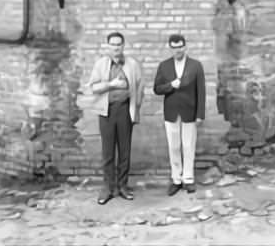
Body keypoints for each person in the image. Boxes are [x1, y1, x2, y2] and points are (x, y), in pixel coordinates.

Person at [88, 31, 144, 204]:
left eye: (119, 44)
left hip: (125, 110)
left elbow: (140, 86)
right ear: (108, 46)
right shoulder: (101, 64)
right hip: (107, 111)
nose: (116, 47)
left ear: (123, 46)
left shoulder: (132, 64)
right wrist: (111, 85)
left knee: (125, 151)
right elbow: (93, 87)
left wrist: (135, 106)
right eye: (112, 44)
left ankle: (123, 186)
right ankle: (108, 188)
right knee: (108, 152)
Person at [153, 33, 205, 195]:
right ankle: (176, 179)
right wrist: (170, 85)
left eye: (180, 47)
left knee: (188, 146)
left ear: (185, 46)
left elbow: (201, 91)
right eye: (174, 48)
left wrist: (200, 114)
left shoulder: (196, 65)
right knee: (174, 146)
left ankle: (188, 179)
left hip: (190, 111)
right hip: (171, 112)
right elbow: (157, 88)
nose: (178, 50)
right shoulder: (164, 66)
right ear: (170, 48)